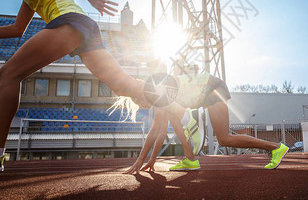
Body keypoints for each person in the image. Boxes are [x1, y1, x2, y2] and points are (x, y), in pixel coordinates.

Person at [0, 0, 146, 173]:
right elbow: (16, 30)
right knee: (123, 86)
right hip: (84, 28)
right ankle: (165, 94)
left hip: (69, 23)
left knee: (9, 73)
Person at [124, 72, 289, 173]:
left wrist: (140, 160)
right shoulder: (159, 98)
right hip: (208, 90)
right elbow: (160, 132)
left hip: (211, 87)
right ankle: (190, 158)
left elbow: (155, 131)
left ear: (141, 96)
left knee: (175, 117)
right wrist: (152, 159)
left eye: (139, 103)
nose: (142, 107)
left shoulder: (155, 93)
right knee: (224, 139)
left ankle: (276, 148)